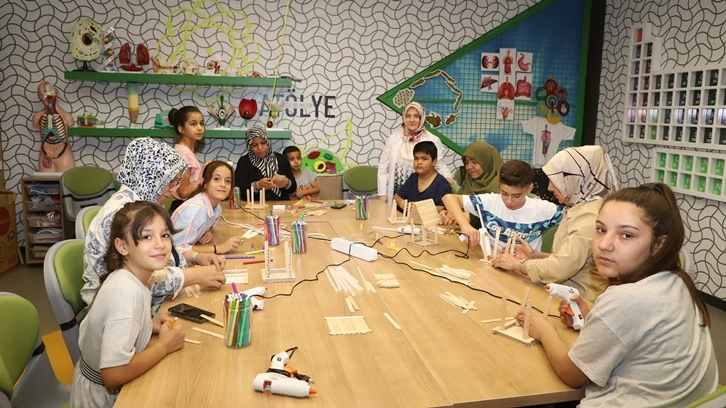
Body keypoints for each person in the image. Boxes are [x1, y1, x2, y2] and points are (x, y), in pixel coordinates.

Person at [516, 183, 718, 406]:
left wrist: (544, 331)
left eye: (627, 235)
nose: (604, 244)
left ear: (659, 245)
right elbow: (637, 333)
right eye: (601, 230)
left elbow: (572, 375)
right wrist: (593, 318)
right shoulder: (676, 281)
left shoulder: (628, 299)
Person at [83, 138, 226, 311]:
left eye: (176, 182)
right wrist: (194, 275)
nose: (172, 189)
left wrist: (195, 257)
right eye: (169, 181)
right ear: (150, 176)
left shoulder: (145, 204)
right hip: (118, 308)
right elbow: (138, 276)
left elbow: (162, 251)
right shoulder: (123, 214)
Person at [71, 201, 186, 407]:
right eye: (146, 237)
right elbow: (113, 374)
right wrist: (164, 346)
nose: (160, 244)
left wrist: (147, 325)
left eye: (165, 235)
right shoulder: (125, 292)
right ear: (122, 246)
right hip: (103, 399)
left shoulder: (130, 277)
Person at [492, 145, 618, 302]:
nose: (550, 187)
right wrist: (535, 255)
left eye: (556, 181)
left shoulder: (589, 216)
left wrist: (519, 265)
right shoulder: (579, 207)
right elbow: (569, 258)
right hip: (567, 295)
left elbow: (563, 267)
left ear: (575, 178)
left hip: (581, 301)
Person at [441, 160, 563, 252]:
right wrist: (465, 226)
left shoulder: (544, 210)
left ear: (529, 189)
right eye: (504, 193)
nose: (509, 201)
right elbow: (448, 198)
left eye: (516, 196)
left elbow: (572, 215)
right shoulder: (489, 202)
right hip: (492, 265)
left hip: (524, 270)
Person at [377, 101, 452, 203]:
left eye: (416, 116)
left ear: (422, 118)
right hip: (397, 196)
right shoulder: (393, 138)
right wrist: (382, 194)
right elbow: (383, 168)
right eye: (408, 116)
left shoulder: (433, 140)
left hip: (419, 196)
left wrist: (447, 177)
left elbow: (439, 165)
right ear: (404, 117)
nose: (412, 120)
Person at [171, 161, 242, 254]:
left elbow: (209, 225)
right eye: (216, 179)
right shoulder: (195, 210)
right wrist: (218, 248)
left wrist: (208, 231)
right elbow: (175, 249)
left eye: (228, 181)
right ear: (204, 183)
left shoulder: (217, 208)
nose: (223, 184)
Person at [235, 125, 297, 201]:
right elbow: (239, 191)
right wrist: (257, 185)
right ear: (250, 147)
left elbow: (293, 187)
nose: (260, 148)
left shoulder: (281, 159)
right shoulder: (244, 162)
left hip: (281, 205)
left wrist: (287, 183)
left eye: (263, 143)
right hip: (256, 206)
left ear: (268, 142)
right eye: (255, 145)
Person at [393, 141, 451, 212]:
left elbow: (442, 208)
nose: (419, 162)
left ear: (434, 162)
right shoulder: (413, 177)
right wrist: (402, 203)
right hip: (409, 218)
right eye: (416, 158)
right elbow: (397, 197)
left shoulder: (442, 184)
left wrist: (421, 208)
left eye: (424, 159)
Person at [168, 106, 205, 213]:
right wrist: (206, 181)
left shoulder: (186, 152)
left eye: (201, 123)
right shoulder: (184, 154)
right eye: (193, 124)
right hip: (182, 207)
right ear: (181, 129)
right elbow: (183, 192)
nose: (199, 128)